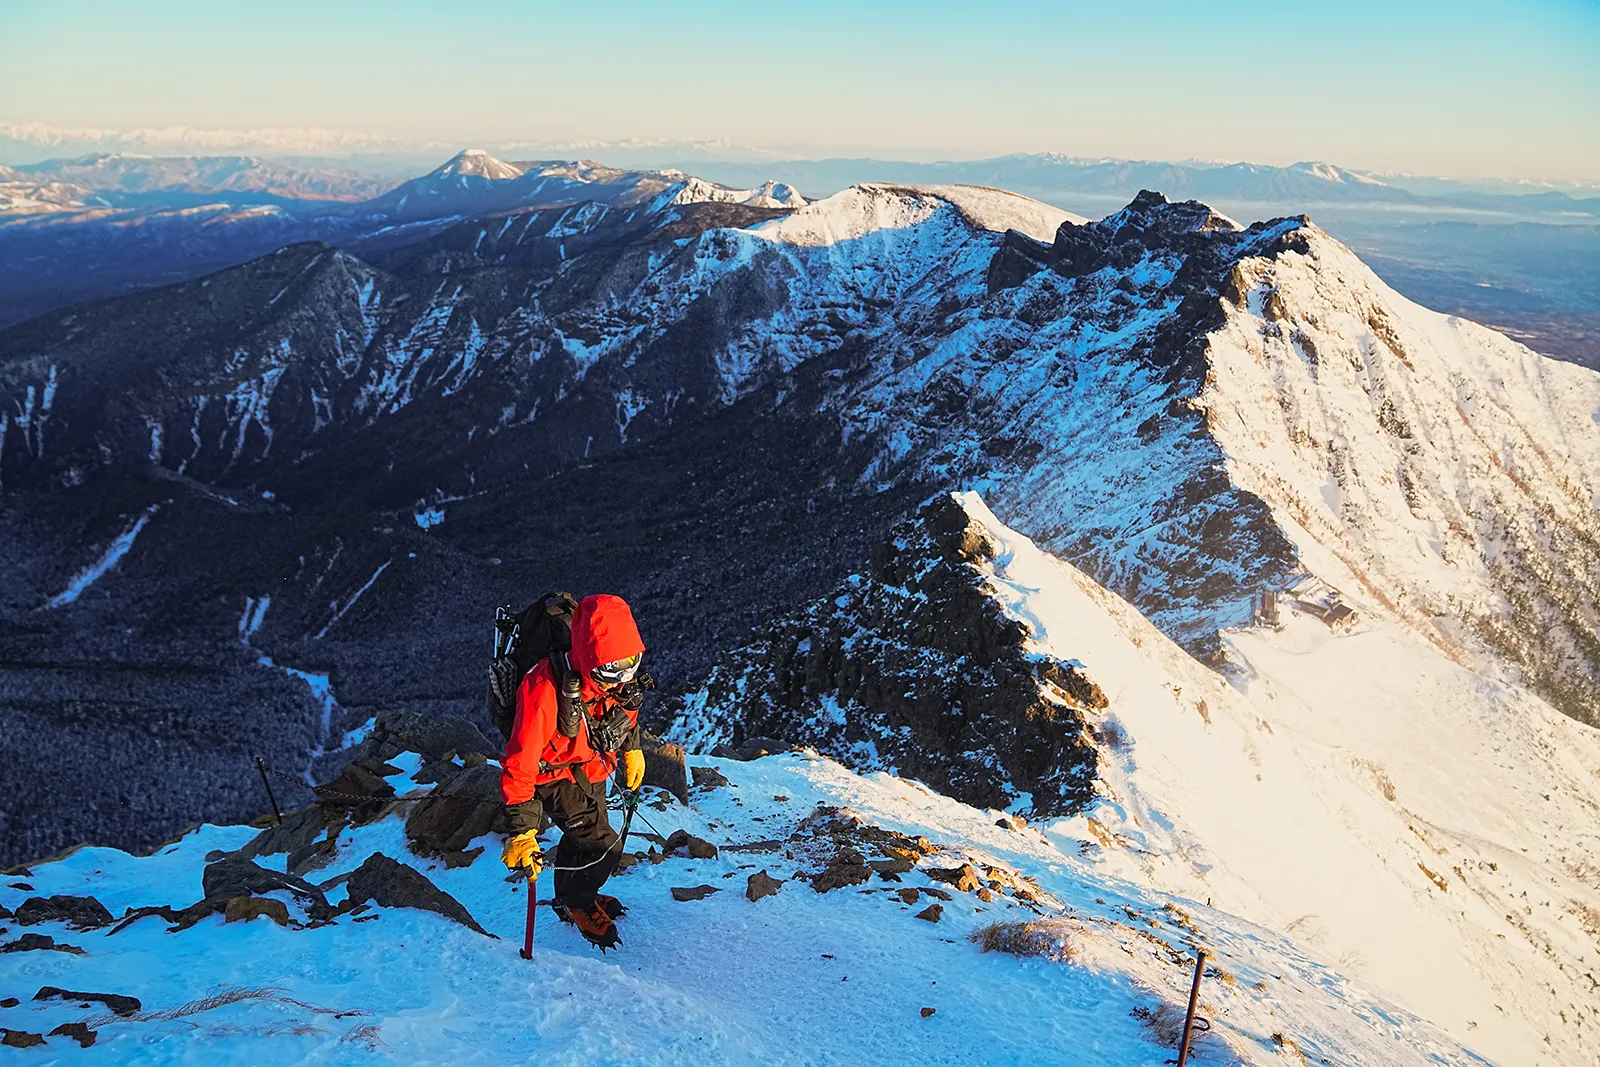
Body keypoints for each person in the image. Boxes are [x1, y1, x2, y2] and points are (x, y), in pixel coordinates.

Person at [499, 593, 648, 950]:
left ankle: (572, 894)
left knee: (582, 835)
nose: (622, 677)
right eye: (612, 668)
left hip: (595, 766)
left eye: (632, 663)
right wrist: (522, 829)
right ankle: (579, 900)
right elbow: (519, 759)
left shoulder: (617, 681)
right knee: (604, 844)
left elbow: (624, 715)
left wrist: (632, 748)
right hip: (555, 775)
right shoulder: (544, 688)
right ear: (588, 657)